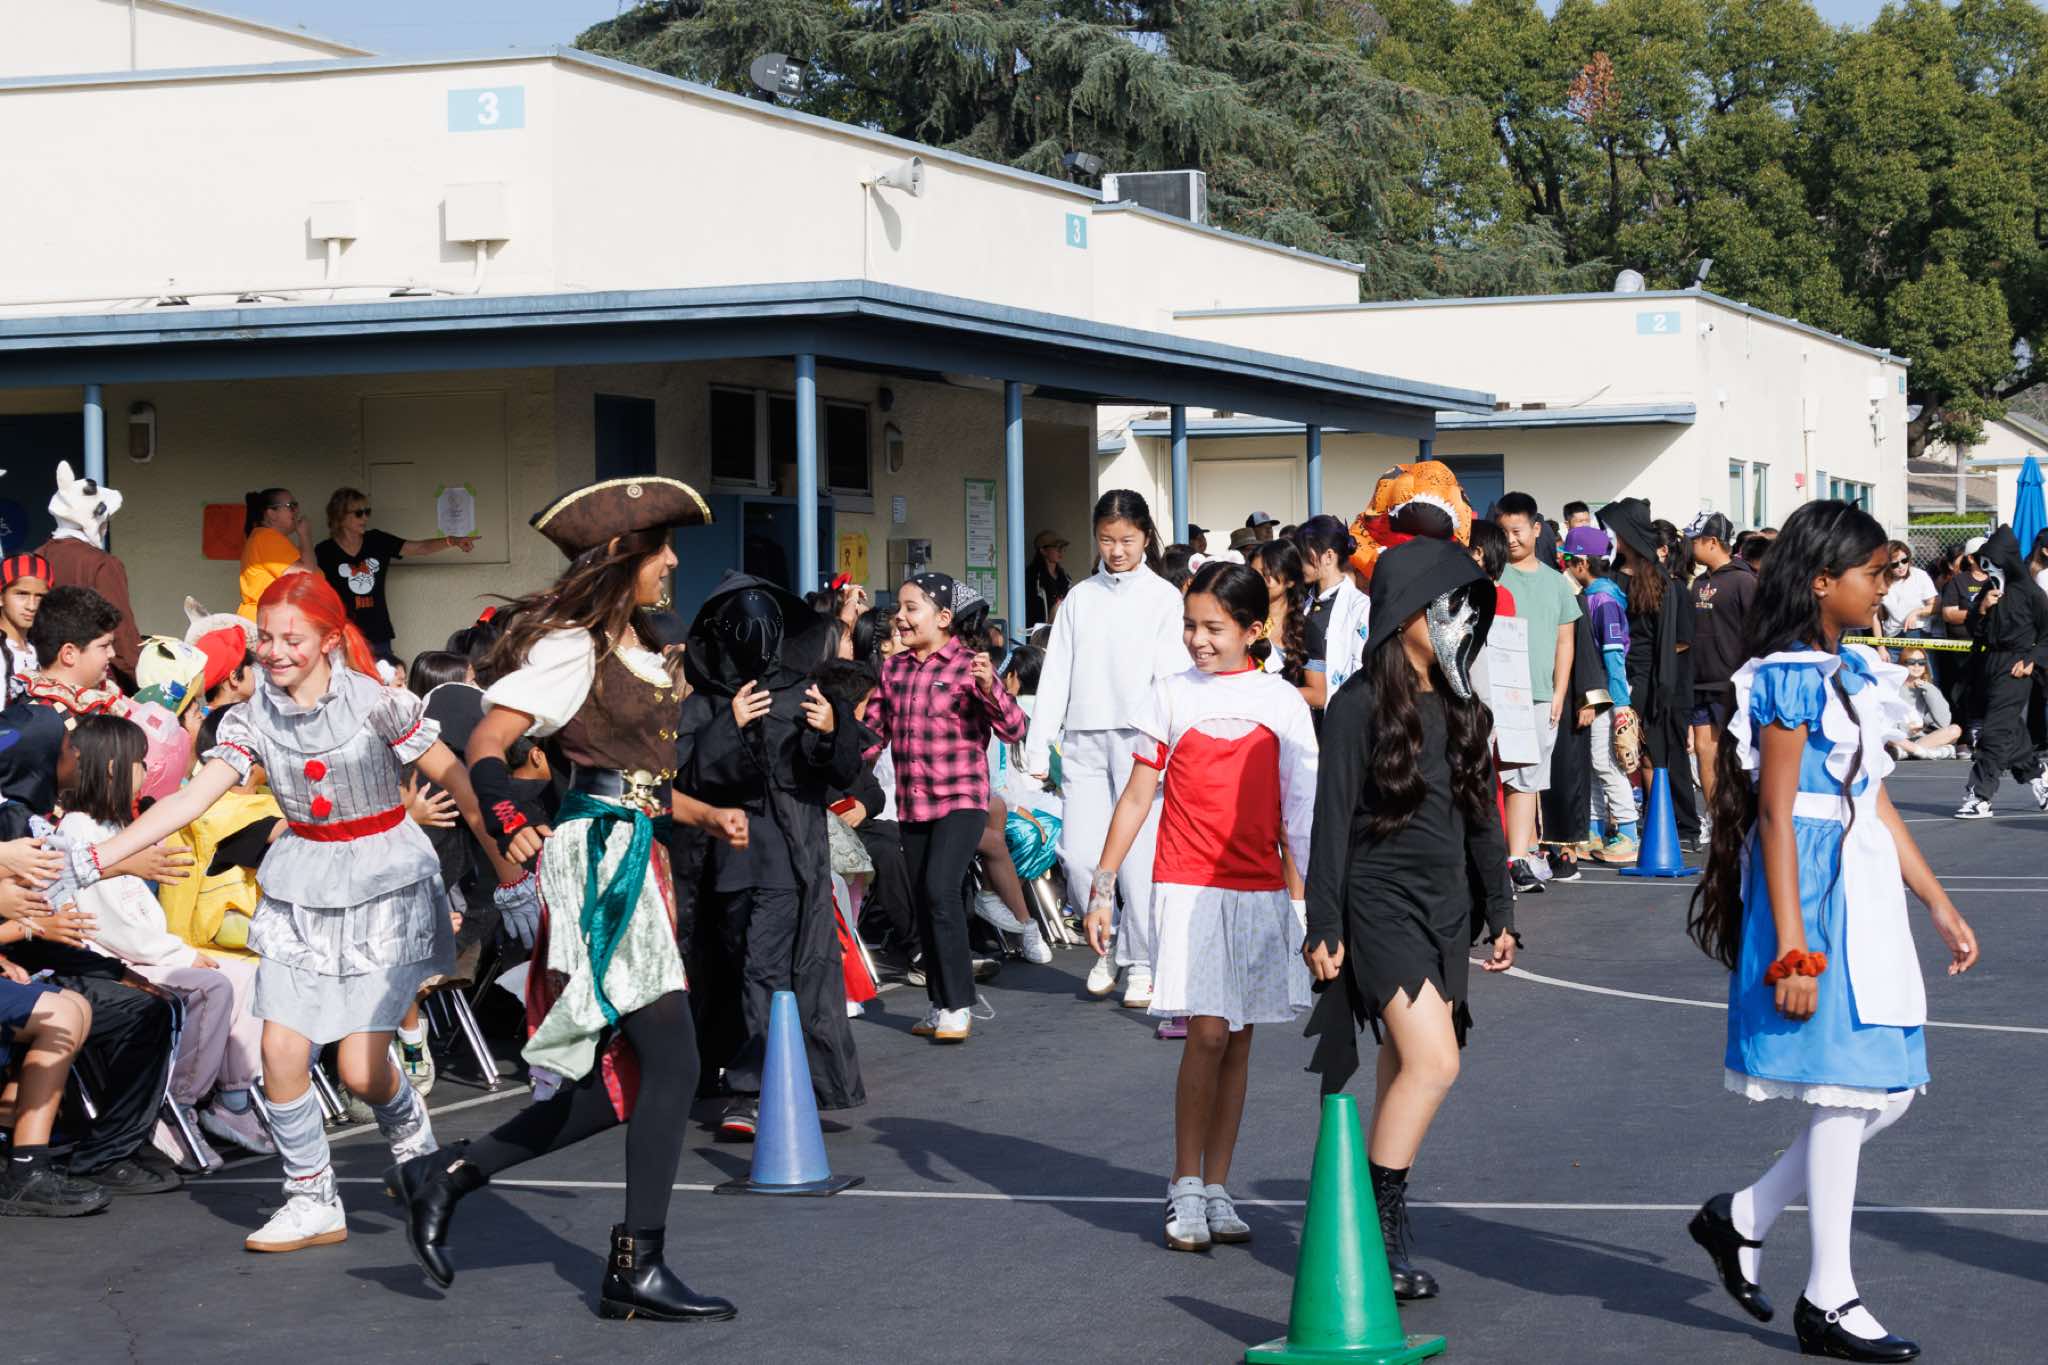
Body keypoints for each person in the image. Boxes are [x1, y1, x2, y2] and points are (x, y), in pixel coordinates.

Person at [388, 476, 743, 1322]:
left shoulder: (638, 645)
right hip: (601, 863)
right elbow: (487, 740)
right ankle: (636, 1264)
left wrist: (706, 813)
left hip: (634, 851)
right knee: (675, 1062)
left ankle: (449, 1172)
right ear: (622, 556)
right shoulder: (573, 650)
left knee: (630, 1076)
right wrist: (506, 815)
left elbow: (637, 782)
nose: (673, 563)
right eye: (661, 549)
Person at [68, 573, 489, 1250]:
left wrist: (506, 858)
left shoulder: (379, 703)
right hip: (302, 884)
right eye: (265, 637)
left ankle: (415, 1143)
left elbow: (456, 776)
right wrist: (98, 857)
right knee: (281, 1046)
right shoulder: (249, 717)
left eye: (292, 637)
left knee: (359, 1070)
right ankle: (311, 1197)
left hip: (384, 886)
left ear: (329, 639)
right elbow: (191, 798)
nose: (273, 650)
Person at [1686, 499, 1976, 1362]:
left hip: (1864, 883)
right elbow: (1778, 815)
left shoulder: (1852, 669)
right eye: (1873, 573)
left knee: (1886, 1088)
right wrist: (1793, 946)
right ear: (1821, 581)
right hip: (1813, 893)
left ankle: (1744, 1215)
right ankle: (1830, 1294)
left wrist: (1936, 900)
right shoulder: (1788, 677)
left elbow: (1871, 798)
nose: (1885, 586)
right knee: (1850, 1091)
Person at [1301, 536, 1518, 1300]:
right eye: (1448, 605)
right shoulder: (1357, 704)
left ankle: (1372, 1233)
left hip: (1446, 908)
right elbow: (1330, 820)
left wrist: (1501, 909)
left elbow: (1483, 819)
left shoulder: (1465, 705)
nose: (1463, 619)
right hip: (1379, 901)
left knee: (1405, 1061)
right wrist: (1322, 922)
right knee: (1434, 1062)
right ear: (1406, 613)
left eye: (1470, 607)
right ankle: (1370, 1226)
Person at [1084, 561, 1316, 1252]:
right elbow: (1137, 796)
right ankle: (1184, 1182)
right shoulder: (1169, 694)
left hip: (1261, 891)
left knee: (1239, 1038)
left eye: (1213, 627)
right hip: (1188, 887)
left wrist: (1312, 904)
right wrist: (1102, 885)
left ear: (1253, 629)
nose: (1198, 639)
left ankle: (1217, 1186)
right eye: (1190, 625)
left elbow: (1300, 813)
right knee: (1208, 1032)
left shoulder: (1282, 703)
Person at [677, 571, 866, 1138]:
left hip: (787, 857)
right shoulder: (707, 703)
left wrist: (830, 729)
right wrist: (730, 726)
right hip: (726, 860)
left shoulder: (804, 691)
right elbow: (684, 779)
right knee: (734, 965)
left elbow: (840, 770)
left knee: (768, 966)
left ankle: (753, 1088)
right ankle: (739, 1072)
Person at [58, 714, 270, 1165]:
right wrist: (182, 954)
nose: (145, 771)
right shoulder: (77, 829)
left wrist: (179, 953)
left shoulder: (113, 827)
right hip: (110, 960)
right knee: (212, 986)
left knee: (248, 976)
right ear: (113, 767)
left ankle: (233, 1101)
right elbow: (113, 923)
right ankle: (175, 1102)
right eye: (139, 761)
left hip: (144, 952)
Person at [1023, 491, 1187, 1008]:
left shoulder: (1164, 597)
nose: (1116, 550)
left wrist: (1172, 740)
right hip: (1085, 737)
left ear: (1145, 537)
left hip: (1142, 740)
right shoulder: (1080, 598)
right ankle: (1107, 942)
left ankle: (1142, 961)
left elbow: (1171, 676)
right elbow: (1056, 673)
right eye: (1107, 540)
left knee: (1138, 861)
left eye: (1127, 540)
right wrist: (1038, 745)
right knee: (1078, 857)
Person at [863, 574, 1028, 1042]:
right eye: (899, 608)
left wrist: (989, 687)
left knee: (939, 889)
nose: (900, 617)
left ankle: (959, 1004)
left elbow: (1014, 729)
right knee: (926, 899)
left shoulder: (969, 665)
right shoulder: (893, 670)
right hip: (913, 804)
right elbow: (871, 737)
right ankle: (940, 1003)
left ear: (942, 618)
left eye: (911, 608)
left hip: (962, 801)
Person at [1599, 497, 1701, 848]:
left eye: (1618, 533)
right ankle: (1634, 821)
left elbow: (1667, 641)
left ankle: (1676, 826)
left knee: (1655, 755)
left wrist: (1663, 687)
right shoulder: (1611, 577)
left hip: (1648, 679)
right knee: (1620, 753)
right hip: (1616, 672)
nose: (1614, 539)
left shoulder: (1661, 582)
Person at [1492, 492, 1581, 891]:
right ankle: (1504, 857)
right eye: (1504, 532)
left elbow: (1566, 641)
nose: (1511, 539)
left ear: (1536, 529)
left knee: (1528, 780)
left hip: (1541, 696)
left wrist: (1560, 692)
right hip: (1497, 695)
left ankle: (1518, 859)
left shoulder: (1556, 583)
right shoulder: (1493, 578)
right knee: (1501, 777)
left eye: (1518, 531)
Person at [314, 487, 476, 662]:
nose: (365, 518)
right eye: (359, 513)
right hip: (342, 635)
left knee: (385, 677)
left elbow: (420, 548)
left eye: (367, 512)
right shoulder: (325, 551)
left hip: (378, 634)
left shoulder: (376, 540)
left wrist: (452, 541)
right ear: (340, 516)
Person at [1954, 526, 2048, 818]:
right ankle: (2037, 774)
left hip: (2017, 667)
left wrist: (2032, 660)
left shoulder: (2032, 593)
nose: (1987, 567)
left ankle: (1980, 796)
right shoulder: (1990, 589)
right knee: (2009, 728)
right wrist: (1981, 609)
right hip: (1987, 664)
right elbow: (1974, 628)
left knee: (1994, 732)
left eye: (1993, 561)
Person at [1564, 527, 1640, 862]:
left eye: (1568, 559)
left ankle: (1628, 832)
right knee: (1594, 763)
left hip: (1608, 691)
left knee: (1606, 761)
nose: (1566, 565)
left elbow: (1614, 655)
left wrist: (1621, 705)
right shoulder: (1597, 594)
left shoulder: (1603, 600)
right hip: (1598, 690)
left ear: (1582, 562)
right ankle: (1593, 830)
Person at [32, 462, 142, 689]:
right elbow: (122, 637)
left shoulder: (35, 558)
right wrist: (142, 681)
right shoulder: (102, 564)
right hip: (93, 684)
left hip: (41, 680)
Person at [1688, 512, 1756, 813]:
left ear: (1712, 542)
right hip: (1699, 682)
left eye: (1695, 539)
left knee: (1734, 755)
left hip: (1731, 684)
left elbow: (1758, 633)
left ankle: (1740, 815)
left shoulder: (1744, 580)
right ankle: (1715, 817)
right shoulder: (1698, 583)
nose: (1691, 545)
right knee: (1704, 750)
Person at [1247, 539, 1327, 712]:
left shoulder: (1306, 630)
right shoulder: (1240, 622)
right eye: (1254, 574)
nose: (1259, 581)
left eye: (1267, 573)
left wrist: (1269, 693)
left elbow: (1318, 695)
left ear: (1290, 581)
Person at [23, 586, 126, 720]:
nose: (112, 654)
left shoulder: (102, 696)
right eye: (104, 646)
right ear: (69, 654)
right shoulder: (38, 720)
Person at [1294, 515, 1370, 696]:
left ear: (1328, 556)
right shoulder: (1303, 601)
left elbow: (1360, 668)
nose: (1299, 564)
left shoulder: (1359, 606)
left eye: (1304, 556)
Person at [1936, 537, 1991, 746]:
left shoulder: (1996, 580)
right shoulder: (1958, 582)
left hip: (1990, 646)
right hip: (1962, 648)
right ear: (1971, 558)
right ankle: (1967, 735)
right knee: (1964, 692)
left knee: (1988, 689)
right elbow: (1948, 614)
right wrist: (1980, 612)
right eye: (1982, 554)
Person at [237, 488, 319, 620]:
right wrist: (305, 535)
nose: (296, 511)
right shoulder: (266, 538)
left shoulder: (268, 538)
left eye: (296, 505)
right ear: (271, 514)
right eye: (290, 506)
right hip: (266, 621)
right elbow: (307, 575)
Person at [1890, 650, 1961, 759]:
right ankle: (1930, 752)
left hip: (1921, 738)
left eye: (1921, 662)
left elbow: (1944, 722)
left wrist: (1929, 688)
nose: (1917, 666)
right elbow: (1884, 721)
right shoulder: (1893, 687)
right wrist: (1906, 729)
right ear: (1902, 664)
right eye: (1911, 662)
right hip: (1898, 737)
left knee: (1955, 730)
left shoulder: (1928, 688)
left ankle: (1906, 752)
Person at [0, 554, 49, 702]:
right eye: (22, 594)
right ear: (1, 597)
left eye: (40, 596)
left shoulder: (41, 649)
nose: (31, 606)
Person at [1877, 540, 1937, 640]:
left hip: (1917, 631)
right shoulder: (1881, 581)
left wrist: (1916, 613)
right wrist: (1880, 645)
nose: (1901, 566)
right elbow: (1875, 616)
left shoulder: (1920, 575)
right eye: (1894, 564)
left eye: (1904, 561)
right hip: (1892, 635)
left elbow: (1936, 606)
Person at [1026, 530, 1073, 628]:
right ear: (1043, 551)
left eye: (1061, 547)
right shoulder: (1032, 577)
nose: (1060, 551)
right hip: (1041, 632)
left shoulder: (1065, 578)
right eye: (1056, 547)